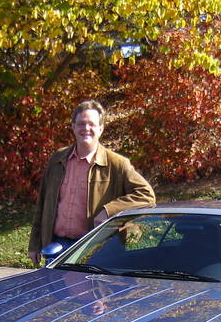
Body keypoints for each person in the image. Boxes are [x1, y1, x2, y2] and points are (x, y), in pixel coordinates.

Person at [28, 100, 155, 265]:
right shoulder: (57, 159)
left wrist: (108, 211)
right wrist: (35, 244)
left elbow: (146, 195)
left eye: (92, 124)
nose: (86, 128)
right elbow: (42, 204)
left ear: (101, 128)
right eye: (81, 124)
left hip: (94, 249)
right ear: (73, 127)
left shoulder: (117, 164)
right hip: (57, 248)